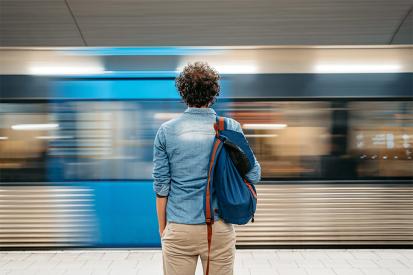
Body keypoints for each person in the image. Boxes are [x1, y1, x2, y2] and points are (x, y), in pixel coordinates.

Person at [152, 62, 261, 275]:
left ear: (183, 93)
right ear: (213, 93)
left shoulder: (166, 131)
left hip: (179, 228)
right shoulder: (229, 127)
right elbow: (254, 174)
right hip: (218, 228)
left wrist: (163, 229)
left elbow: (161, 186)